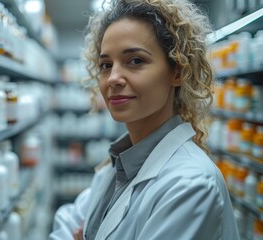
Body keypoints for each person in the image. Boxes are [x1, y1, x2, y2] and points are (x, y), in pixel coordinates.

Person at [50, 0, 239, 239]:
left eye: (135, 61)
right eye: (106, 65)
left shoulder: (191, 184)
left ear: (178, 71)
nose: (113, 79)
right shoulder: (119, 166)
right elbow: (66, 223)